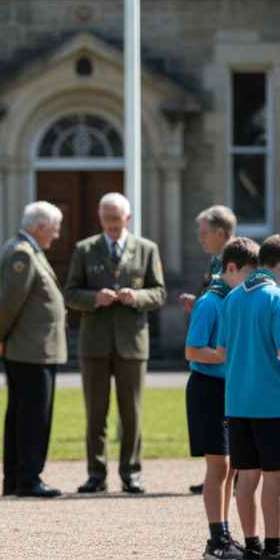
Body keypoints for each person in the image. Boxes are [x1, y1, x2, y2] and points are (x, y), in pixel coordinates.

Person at [217, 234, 280, 560]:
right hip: (272, 403)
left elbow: (225, 350)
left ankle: (251, 548)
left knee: (246, 477)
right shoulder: (279, 298)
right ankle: (274, 548)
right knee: (275, 479)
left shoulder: (231, 298)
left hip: (237, 400)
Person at [64, 193, 166, 495]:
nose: (111, 224)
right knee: (96, 412)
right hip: (94, 343)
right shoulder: (85, 249)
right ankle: (96, 474)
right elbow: (70, 292)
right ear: (99, 217)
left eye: (116, 219)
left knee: (131, 412)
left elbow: (159, 293)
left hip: (132, 343)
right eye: (106, 218)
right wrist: (94, 298)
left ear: (128, 219)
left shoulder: (147, 250)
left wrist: (138, 298)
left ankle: (131, 473)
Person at [184, 236, 258, 560]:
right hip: (207, 389)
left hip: (228, 389)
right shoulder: (210, 303)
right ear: (231, 268)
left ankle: (225, 533)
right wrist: (228, 355)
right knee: (219, 466)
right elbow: (192, 350)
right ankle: (216, 538)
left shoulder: (234, 300)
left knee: (230, 466)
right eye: (249, 274)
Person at [0, 201, 67, 498]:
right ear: (40, 227)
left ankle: (16, 478)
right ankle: (28, 477)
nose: (57, 235)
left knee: (22, 415)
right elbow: (12, 303)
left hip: (34, 348)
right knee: (33, 416)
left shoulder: (27, 249)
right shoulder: (23, 253)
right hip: (31, 349)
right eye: (55, 229)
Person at [180, 205, 237, 494]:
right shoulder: (214, 262)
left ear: (220, 232)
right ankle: (217, 476)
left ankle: (230, 476)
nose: (200, 239)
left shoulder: (235, 261)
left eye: (204, 233)